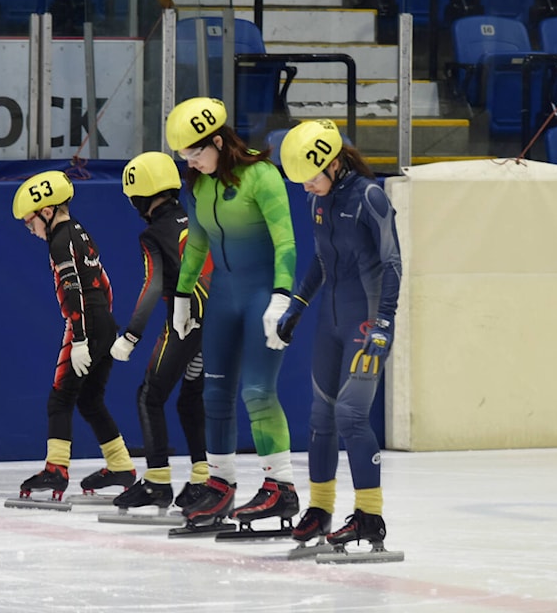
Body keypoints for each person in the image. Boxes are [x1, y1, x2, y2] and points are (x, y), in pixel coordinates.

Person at [164, 96, 299, 529]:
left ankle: (281, 487)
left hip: (263, 294)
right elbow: (198, 245)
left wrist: (281, 295)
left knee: (257, 392)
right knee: (214, 394)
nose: (191, 161)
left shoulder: (263, 176)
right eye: (184, 155)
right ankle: (220, 485)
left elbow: (286, 242)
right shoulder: (198, 186)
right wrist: (183, 296)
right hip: (222, 297)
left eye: (196, 152)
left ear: (219, 142)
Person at [276, 119, 402, 549]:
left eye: (310, 178)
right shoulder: (319, 201)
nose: (306, 187)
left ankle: (370, 516)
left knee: (350, 415)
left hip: (366, 324)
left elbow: (392, 263)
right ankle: (321, 508)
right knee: (320, 418)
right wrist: (297, 305)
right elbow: (320, 260)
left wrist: (385, 322)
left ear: (331, 163)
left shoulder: (369, 196)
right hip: (329, 324)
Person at [11, 170, 135, 500]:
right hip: (103, 321)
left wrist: (80, 337)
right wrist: (106, 324)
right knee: (90, 400)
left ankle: (56, 470)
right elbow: (104, 282)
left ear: (47, 211)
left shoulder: (58, 240)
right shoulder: (78, 230)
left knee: (60, 398)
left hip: (86, 324)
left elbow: (73, 289)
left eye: (29, 221)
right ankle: (121, 465)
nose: (30, 229)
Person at [110, 151, 211, 512]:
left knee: (149, 396)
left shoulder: (153, 234)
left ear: (141, 195)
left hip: (184, 324)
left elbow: (153, 286)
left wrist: (131, 334)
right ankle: (203, 479)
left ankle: (157, 483)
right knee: (190, 398)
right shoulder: (198, 215)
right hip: (215, 322)